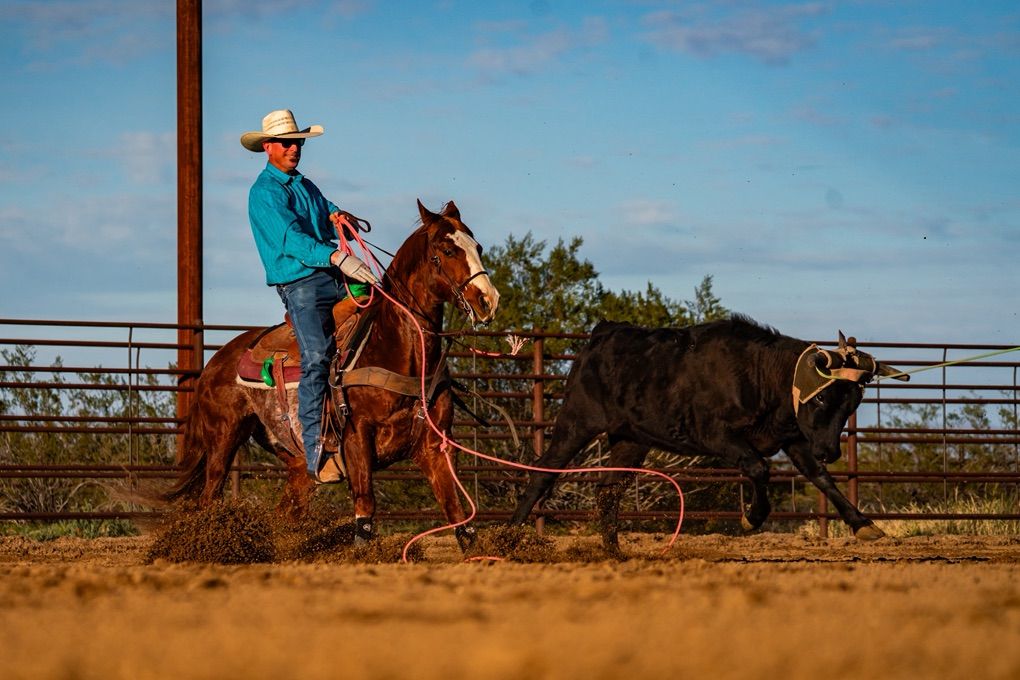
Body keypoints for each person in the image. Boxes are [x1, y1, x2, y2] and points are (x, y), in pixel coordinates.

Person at [241, 109, 378, 482]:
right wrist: (336, 256)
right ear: (268, 147)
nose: (294, 148)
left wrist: (336, 216)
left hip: (329, 274)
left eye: (298, 142)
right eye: (287, 143)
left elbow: (323, 208)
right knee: (317, 357)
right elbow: (292, 241)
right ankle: (316, 450)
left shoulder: (305, 185)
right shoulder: (264, 194)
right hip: (300, 285)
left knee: (382, 309)